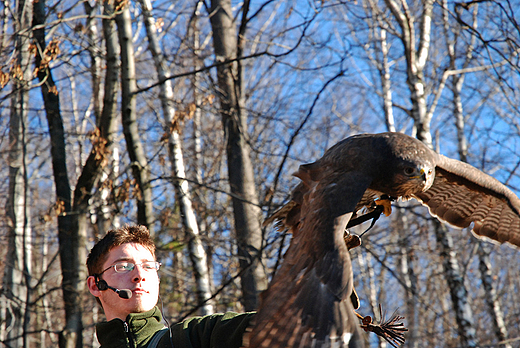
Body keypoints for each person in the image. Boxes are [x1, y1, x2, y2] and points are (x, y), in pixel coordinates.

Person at [86, 224, 254, 348]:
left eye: (148, 266)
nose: (139, 275)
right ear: (95, 285)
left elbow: (265, 323)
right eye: (123, 266)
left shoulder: (195, 338)